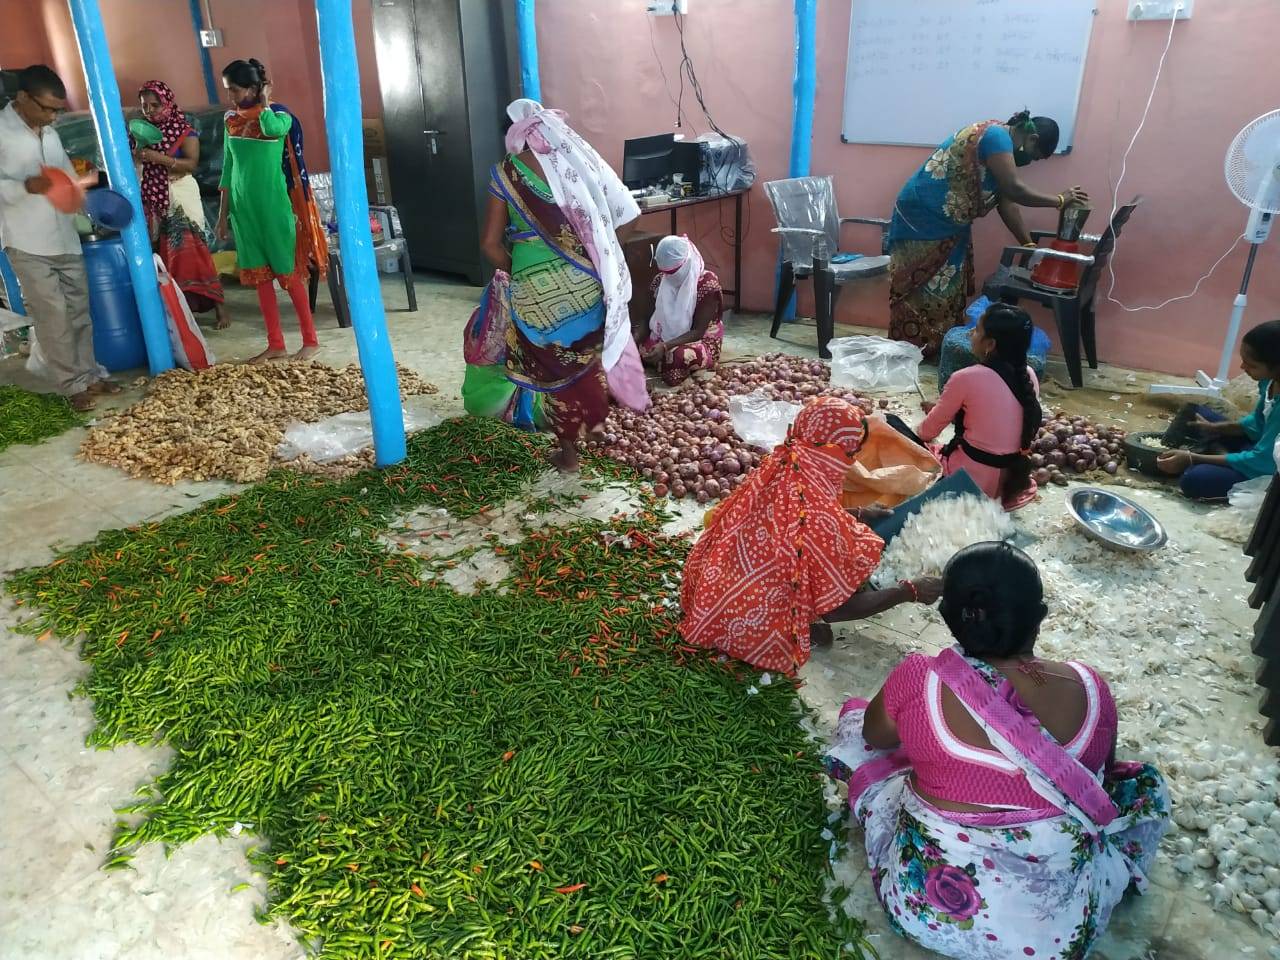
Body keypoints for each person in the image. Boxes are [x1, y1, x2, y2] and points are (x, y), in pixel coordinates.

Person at [824, 542, 1170, 960]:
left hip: (927, 912)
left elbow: (875, 739)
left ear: (948, 618)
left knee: (864, 733)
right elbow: (1106, 771)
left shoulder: (918, 679)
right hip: (1055, 939)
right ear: (1039, 618)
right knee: (1139, 783)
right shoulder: (1090, 689)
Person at [680, 397, 943, 674]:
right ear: (832, 452)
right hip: (742, 614)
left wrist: (858, 514)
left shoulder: (784, 462)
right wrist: (908, 591)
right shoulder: (816, 515)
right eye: (849, 454)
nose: (851, 462)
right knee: (825, 623)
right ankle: (753, 638)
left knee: (844, 555)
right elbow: (836, 610)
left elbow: (793, 519)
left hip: (709, 594)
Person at [480, 99, 641, 472]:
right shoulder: (578, 165)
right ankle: (597, 429)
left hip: (535, 293)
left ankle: (569, 455)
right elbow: (627, 213)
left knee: (554, 369)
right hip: (587, 281)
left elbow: (489, 245)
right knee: (587, 358)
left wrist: (520, 270)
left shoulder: (505, 173)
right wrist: (601, 255)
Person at [888, 110, 1088, 359]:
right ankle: (907, 351)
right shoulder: (996, 137)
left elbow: (1007, 203)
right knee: (920, 288)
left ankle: (934, 349)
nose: (1031, 162)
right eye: (1035, 157)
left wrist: (1026, 242)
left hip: (950, 223)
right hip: (923, 216)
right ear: (1032, 139)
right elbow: (1015, 190)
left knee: (945, 288)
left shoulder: (1003, 148)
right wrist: (1059, 200)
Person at [0, 65, 119, 412]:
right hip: (27, 240)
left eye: (57, 110)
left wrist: (84, 191)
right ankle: (71, 385)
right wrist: (24, 186)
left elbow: (65, 176)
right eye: (47, 108)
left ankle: (91, 374)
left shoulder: (49, 133)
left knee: (80, 310)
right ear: (22, 98)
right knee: (53, 314)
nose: (53, 117)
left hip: (65, 235)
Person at [215, 58, 328, 362]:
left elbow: (271, 128)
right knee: (259, 279)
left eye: (236, 90)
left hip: (274, 209)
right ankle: (275, 344)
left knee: (287, 274)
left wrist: (264, 101)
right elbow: (228, 168)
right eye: (228, 91)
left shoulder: (278, 116)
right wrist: (223, 215)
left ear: (254, 87)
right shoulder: (230, 120)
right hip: (243, 212)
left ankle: (310, 340)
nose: (231, 97)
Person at [916, 302, 1041, 510]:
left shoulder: (965, 378)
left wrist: (931, 419)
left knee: (905, 440)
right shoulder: (1029, 376)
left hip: (972, 480)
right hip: (1011, 482)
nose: (971, 333)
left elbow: (927, 432)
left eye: (977, 330)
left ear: (990, 344)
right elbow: (996, 417)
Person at [134, 80, 228, 331]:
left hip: (181, 194)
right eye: (145, 106)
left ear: (168, 102)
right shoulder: (140, 133)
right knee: (162, 254)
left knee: (191, 249)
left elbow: (191, 164)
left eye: (155, 105)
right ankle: (178, 308)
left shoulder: (183, 131)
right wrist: (139, 156)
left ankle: (220, 307)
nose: (150, 111)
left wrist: (159, 159)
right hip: (154, 195)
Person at [1157, 320, 1280, 500]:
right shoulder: (1268, 380)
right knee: (1192, 412)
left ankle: (1213, 456)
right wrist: (1218, 427)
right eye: (1243, 360)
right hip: (1261, 445)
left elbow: (1263, 461)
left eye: (1251, 365)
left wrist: (1193, 458)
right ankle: (1220, 453)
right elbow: (1258, 423)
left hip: (1268, 468)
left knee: (1194, 480)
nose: (1242, 368)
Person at [636, 235, 724, 386]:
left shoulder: (707, 284)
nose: (668, 277)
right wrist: (633, 340)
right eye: (665, 272)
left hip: (699, 339)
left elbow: (698, 331)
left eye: (673, 272)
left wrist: (665, 346)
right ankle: (657, 359)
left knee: (677, 358)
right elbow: (647, 317)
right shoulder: (660, 280)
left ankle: (663, 361)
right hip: (661, 335)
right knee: (636, 348)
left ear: (686, 263)